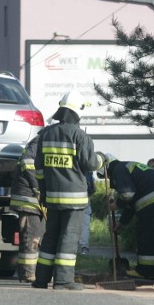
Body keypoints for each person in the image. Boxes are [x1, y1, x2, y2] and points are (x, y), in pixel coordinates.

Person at [32, 90, 104, 290]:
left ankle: (41, 279)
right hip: (75, 199)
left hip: (52, 197)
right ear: (78, 112)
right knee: (69, 237)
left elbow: (38, 168)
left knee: (51, 237)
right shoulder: (80, 136)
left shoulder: (46, 134)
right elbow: (90, 164)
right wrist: (102, 159)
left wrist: (44, 191)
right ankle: (63, 281)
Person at [98, 157, 154, 280]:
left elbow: (127, 195)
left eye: (107, 177)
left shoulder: (119, 170)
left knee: (146, 236)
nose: (109, 179)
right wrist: (121, 223)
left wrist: (115, 205)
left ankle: (144, 271)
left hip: (151, 201)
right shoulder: (128, 166)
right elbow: (131, 203)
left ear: (107, 170)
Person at [9, 134, 45, 283]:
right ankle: (28, 273)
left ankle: (29, 272)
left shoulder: (43, 141)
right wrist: (37, 187)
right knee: (32, 235)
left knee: (37, 235)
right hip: (28, 197)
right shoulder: (40, 141)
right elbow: (28, 162)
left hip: (34, 197)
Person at [78, 171, 95, 255]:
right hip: (85, 197)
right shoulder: (88, 168)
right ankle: (84, 247)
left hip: (68, 196)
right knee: (85, 224)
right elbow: (92, 188)